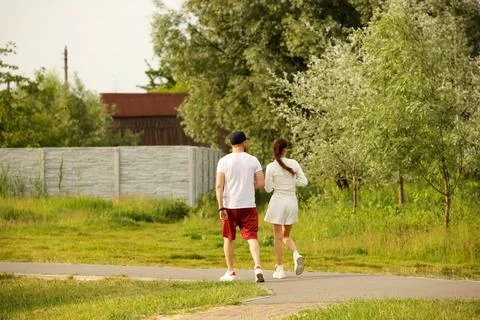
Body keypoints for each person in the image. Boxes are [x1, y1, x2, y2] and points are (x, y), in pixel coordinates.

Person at [216, 130, 266, 282]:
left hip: (229, 206)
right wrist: (250, 183)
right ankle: (257, 267)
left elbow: (219, 186)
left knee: (228, 238)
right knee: (252, 237)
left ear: (231, 145)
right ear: (244, 143)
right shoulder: (253, 160)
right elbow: (261, 184)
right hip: (248, 205)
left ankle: (231, 272)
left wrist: (221, 207)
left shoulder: (224, 161)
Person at [264, 138, 308, 279]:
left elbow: (268, 189)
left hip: (278, 201)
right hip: (291, 201)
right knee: (286, 236)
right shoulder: (294, 163)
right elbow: (304, 182)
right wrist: (292, 181)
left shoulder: (271, 167)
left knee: (277, 238)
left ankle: (280, 269)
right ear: (285, 150)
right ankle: (296, 254)